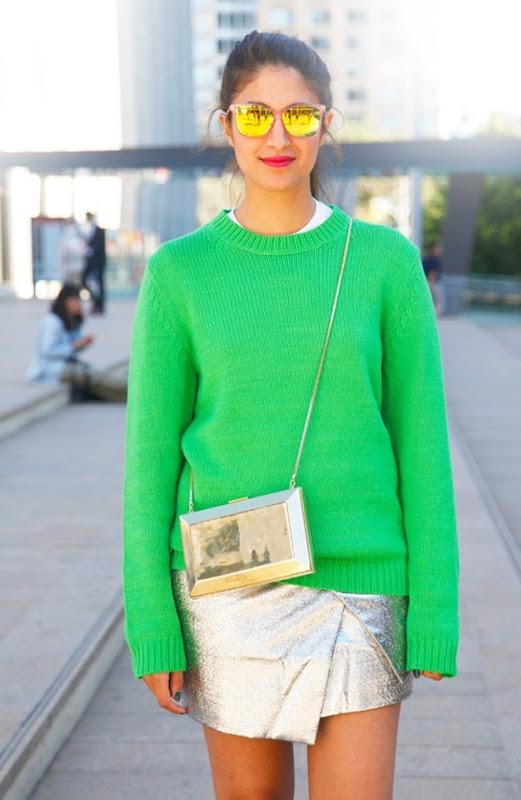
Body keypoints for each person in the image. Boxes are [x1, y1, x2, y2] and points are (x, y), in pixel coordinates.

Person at [122, 30, 460, 800]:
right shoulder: (180, 274)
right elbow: (147, 467)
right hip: (226, 589)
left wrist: (434, 603)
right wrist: (152, 622)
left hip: (360, 586)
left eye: (300, 117)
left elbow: (422, 448)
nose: (278, 136)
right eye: (255, 115)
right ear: (225, 123)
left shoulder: (384, 263)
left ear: (326, 125)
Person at [26, 282, 127, 403]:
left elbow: (74, 347)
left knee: (96, 376)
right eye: (76, 301)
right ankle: (129, 391)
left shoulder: (72, 320)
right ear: (66, 301)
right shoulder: (51, 321)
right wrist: (74, 345)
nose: (79, 304)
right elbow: (47, 350)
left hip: (68, 365)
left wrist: (83, 343)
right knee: (95, 378)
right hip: (51, 369)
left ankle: (126, 392)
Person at [81, 211, 107, 315]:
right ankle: (95, 301)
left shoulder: (100, 230)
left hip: (99, 262)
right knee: (84, 280)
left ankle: (99, 306)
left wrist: (91, 250)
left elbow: (100, 246)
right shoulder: (86, 230)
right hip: (90, 262)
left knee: (100, 284)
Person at [422, 241, 445, 315]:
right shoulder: (434, 259)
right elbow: (432, 273)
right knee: (439, 302)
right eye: (439, 248)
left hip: (428, 283)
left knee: (431, 302)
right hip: (433, 283)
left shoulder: (427, 258)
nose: (441, 250)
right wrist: (432, 283)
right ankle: (433, 317)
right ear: (434, 249)